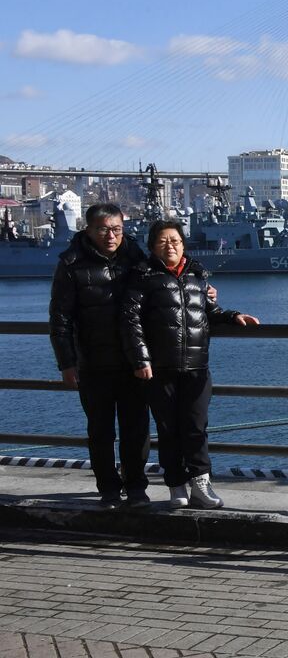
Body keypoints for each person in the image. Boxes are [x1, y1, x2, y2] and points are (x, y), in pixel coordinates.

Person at [122, 220, 258, 510]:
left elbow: (211, 311)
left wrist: (234, 316)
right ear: (151, 247)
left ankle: (200, 484)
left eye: (174, 240)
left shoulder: (197, 275)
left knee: (196, 427)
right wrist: (140, 359)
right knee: (169, 429)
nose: (169, 245)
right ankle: (176, 486)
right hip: (159, 369)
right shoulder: (142, 275)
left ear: (183, 244)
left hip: (196, 367)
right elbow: (130, 320)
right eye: (162, 241)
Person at [49, 203, 151, 509]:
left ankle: (136, 488)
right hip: (92, 364)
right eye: (103, 229)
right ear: (88, 230)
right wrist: (67, 363)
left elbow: (163, 289)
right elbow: (60, 318)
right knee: (100, 431)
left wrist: (204, 289)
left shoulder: (137, 256)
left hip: (132, 361)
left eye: (117, 229)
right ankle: (108, 488)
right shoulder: (70, 264)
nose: (111, 235)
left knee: (137, 430)